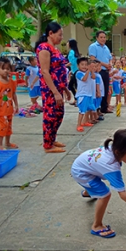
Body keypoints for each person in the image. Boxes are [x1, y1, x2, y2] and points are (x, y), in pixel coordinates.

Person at [71, 129, 126, 238]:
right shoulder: (111, 166)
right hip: (81, 173)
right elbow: (122, 194)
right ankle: (97, 226)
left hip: (85, 166)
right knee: (105, 194)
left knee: (97, 186)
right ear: (118, 152)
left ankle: (89, 191)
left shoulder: (113, 149)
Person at [36, 22, 71, 153]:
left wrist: (65, 89)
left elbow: (60, 69)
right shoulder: (44, 48)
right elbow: (45, 72)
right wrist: (55, 92)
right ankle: (47, 144)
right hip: (50, 89)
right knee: (50, 116)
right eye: (60, 34)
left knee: (59, 115)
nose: (61, 37)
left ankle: (52, 138)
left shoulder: (54, 48)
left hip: (59, 88)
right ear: (51, 33)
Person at [89, 31, 112, 114]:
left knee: (105, 89)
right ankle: (97, 109)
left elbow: (110, 58)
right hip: (98, 71)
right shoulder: (93, 46)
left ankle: (104, 107)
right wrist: (105, 64)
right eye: (101, 37)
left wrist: (110, 64)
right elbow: (93, 58)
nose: (103, 39)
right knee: (98, 90)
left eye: (104, 37)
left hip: (106, 71)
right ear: (97, 38)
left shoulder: (106, 47)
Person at [75, 58, 96, 132]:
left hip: (89, 94)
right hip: (82, 94)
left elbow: (93, 77)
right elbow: (84, 79)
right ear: (78, 66)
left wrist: (92, 71)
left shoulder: (88, 72)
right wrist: (88, 71)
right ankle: (78, 124)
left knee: (88, 109)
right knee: (82, 110)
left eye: (86, 65)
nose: (84, 66)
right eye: (82, 65)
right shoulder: (78, 73)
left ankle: (85, 121)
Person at [66, 39, 80, 105]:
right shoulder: (75, 51)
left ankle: (77, 99)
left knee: (71, 85)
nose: (67, 44)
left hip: (75, 71)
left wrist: (65, 65)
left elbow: (71, 62)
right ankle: (76, 99)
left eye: (68, 42)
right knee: (75, 86)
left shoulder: (71, 52)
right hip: (76, 71)